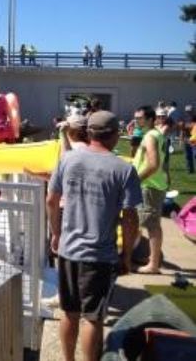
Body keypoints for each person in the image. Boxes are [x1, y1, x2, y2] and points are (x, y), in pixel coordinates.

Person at [46, 111, 142, 361]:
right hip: (99, 256)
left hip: (68, 251)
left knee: (69, 312)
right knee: (93, 318)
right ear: (114, 136)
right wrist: (127, 255)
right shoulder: (124, 169)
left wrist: (56, 234)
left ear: (89, 133)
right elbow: (130, 217)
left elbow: (51, 200)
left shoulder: (67, 160)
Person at [131, 105, 167, 274]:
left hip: (149, 186)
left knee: (151, 225)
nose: (136, 120)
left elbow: (153, 164)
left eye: (140, 118)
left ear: (150, 119)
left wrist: (136, 180)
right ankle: (153, 259)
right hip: (153, 185)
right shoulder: (155, 134)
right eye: (136, 117)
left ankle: (153, 265)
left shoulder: (151, 136)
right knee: (150, 223)